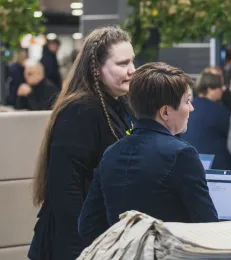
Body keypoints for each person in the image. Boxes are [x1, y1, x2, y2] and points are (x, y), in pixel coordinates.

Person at [78, 62, 218, 244]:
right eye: (187, 101)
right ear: (165, 112)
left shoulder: (111, 154)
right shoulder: (182, 155)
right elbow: (208, 226)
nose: (191, 108)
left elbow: (87, 226)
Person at [29, 26, 136, 260]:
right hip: (74, 244)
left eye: (132, 62)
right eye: (122, 64)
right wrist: (83, 249)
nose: (132, 71)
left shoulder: (118, 104)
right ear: (97, 69)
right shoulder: (81, 110)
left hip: (100, 237)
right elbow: (65, 188)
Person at [182, 72, 231, 170]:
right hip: (218, 166)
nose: (222, 90)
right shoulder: (220, 111)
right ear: (210, 89)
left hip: (189, 162)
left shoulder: (187, 108)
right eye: (220, 87)